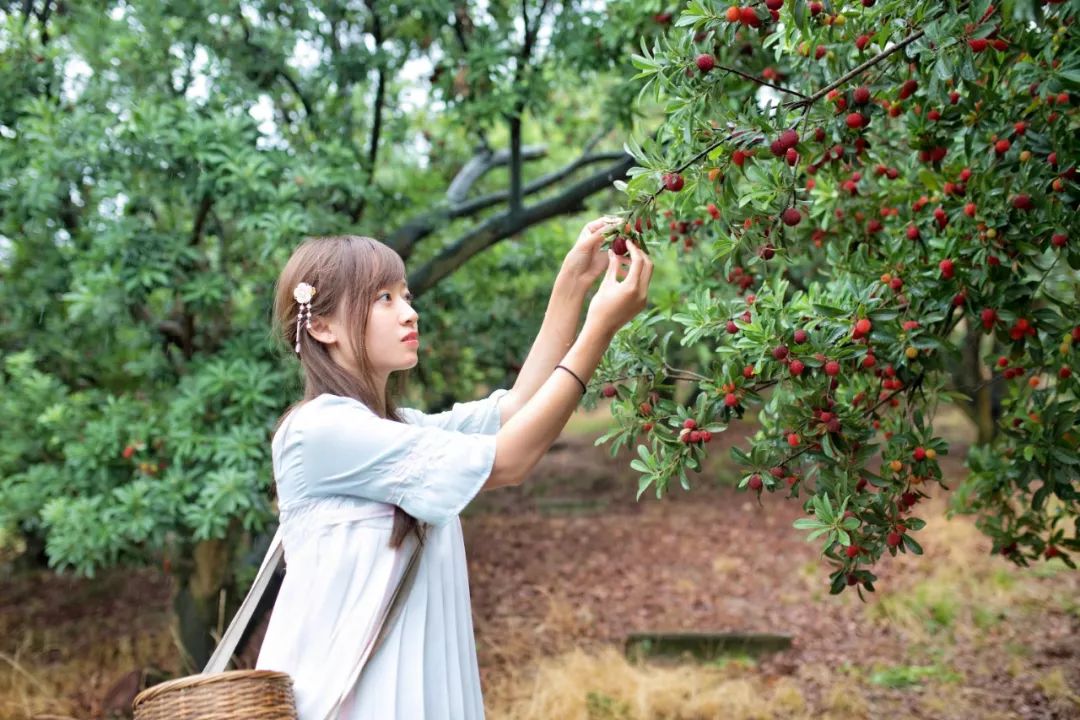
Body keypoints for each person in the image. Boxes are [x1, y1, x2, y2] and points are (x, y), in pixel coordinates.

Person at [255, 217, 654, 719]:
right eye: (384, 299)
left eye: (405, 295)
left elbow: (515, 411)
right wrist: (599, 329)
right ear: (320, 325)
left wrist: (572, 283)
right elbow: (508, 460)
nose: (410, 313)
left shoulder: (400, 427)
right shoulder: (319, 432)